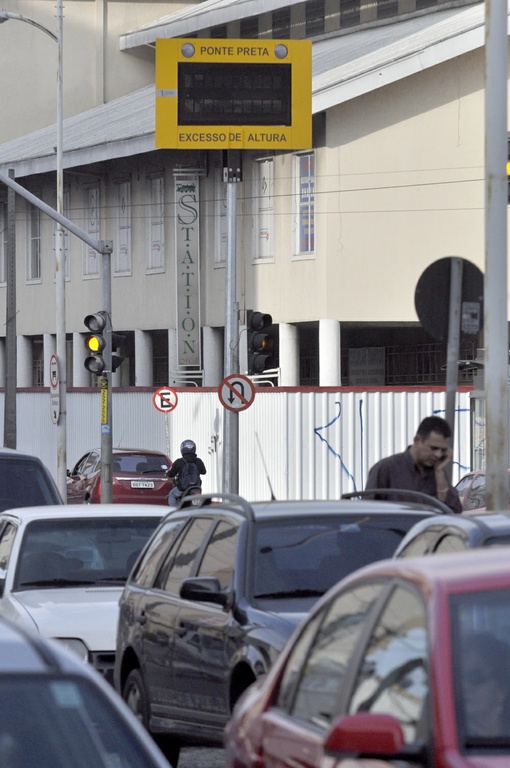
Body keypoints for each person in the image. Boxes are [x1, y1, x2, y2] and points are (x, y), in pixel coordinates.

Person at [365, 415, 462, 513]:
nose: (438, 455)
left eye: (443, 450)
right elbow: (367, 512)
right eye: (433, 448)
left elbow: (454, 512)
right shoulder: (386, 469)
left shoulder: (437, 472)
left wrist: (440, 474)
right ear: (417, 441)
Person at [167, 439, 206, 506]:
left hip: (183, 488)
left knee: (171, 495)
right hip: (196, 487)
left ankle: (174, 512)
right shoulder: (199, 461)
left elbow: (171, 474)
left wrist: (167, 473)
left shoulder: (179, 462)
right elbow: (204, 472)